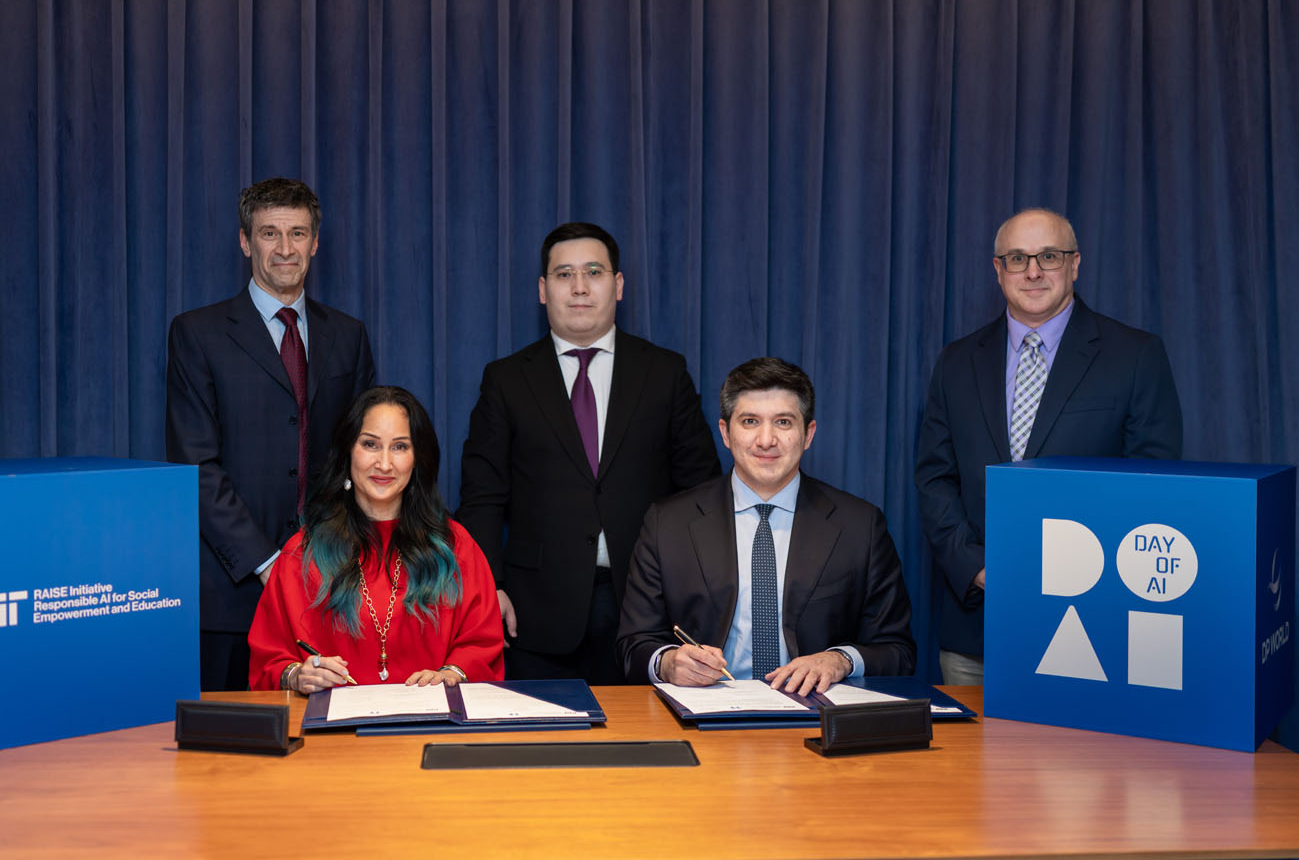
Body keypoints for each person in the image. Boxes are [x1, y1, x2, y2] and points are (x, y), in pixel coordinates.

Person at [916, 208, 1182, 685]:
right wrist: (975, 568)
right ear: (998, 270)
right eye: (1018, 258)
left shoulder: (1136, 355)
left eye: (1049, 256)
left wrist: (1078, 576)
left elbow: (1153, 486)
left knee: (1082, 759)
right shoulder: (956, 361)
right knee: (970, 760)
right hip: (978, 626)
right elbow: (936, 477)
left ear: (1075, 264)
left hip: (1095, 626)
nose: (1033, 271)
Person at [456, 222, 720, 683]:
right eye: (563, 275)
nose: (579, 287)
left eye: (594, 272)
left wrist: (693, 590)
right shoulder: (506, 380)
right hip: (535, 614)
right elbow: (482, 495)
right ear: (543, 290)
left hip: (647, 611)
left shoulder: (663, 372)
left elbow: (699, 492)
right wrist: (488, 587)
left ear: (617, 286)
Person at [166, 177, 375, 691]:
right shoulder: (197, 333)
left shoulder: (348, 336)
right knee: (223, 760)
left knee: (330, 755)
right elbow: (195, 466)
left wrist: (329, 557)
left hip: (331, 587)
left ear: (316, 243)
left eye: (298, 234)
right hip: (231, 589)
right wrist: (268, 563)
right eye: (269, 234)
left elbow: (364, 453)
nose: (285, 249)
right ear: (245, 241)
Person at [618, 357, 916, 692]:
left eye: (784, 423)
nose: (765, 440)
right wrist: (668, 662)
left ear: (808, 434)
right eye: (749, 421)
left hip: (816, 714)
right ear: (726, 433)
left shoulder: (860, 526)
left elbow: (898, 652)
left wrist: (840, 660)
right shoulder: (668, 523)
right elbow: (633, 646)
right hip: (706, 714)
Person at [249, 386, 503, 692]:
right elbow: (268, 659)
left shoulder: (455, 546)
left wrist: (453, 673)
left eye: (399, 447)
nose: (384, 464)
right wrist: (297, 675)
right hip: (330, 733)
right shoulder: (302, 553)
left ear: (417, 458)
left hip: (429, 727)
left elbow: (483, 643)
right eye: (370, 444)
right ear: (348, 451)